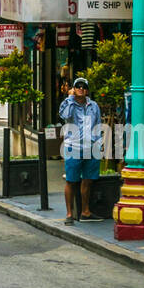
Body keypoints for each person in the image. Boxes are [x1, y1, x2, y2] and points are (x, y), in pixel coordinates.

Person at [58, 76, 103, 224]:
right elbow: (65, 116)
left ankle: (85, 211)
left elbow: (98, 124)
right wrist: (70, 98)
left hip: (91, 147)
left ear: (87, 90)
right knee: (71, 181)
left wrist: (99, 143)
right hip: (73, 147)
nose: (81, 89)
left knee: (88, 180)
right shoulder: (67, 103)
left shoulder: (93, 106)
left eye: (84, 87)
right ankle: (70, 214)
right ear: (74, 88)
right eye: (78, 86)